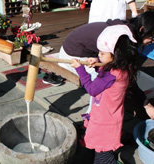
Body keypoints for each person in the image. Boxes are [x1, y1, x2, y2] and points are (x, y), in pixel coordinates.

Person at [58, 11, 154, 118]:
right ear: (142, 29)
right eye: (153, 37)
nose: (153, 42)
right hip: (73, 54)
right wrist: (146, 103)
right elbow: (126, 75)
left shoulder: (125, 30)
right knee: (102, 88)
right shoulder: (124, 39)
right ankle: (91, 117)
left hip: (86, 52)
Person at [70, 25, 139, 163]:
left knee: (103, 158)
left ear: (115, 55)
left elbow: (92, 89)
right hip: (110, 117)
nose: (98, 55)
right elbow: (106, 80)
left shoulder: (112, 75)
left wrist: (80, 70)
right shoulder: (122, 69)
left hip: (105, 123)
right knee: (103, 151)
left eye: (102, 53)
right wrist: (98, 63)